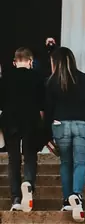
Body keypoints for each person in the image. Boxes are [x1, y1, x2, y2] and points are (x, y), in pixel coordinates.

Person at [45, 47, 85, 222]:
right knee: (80, 163)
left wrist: (47, 135)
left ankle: (67, 200)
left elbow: (48, 110)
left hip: (60, 124)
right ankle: (77, 196)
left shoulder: (52, 82)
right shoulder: (84, 78)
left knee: (66, 162)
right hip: (84, 124)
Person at [0, 48, 45, 212]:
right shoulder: (37, 77)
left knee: (13, 159)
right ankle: (28, 184)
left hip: (10, 121)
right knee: (30, 155)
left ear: (14, 62)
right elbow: (42, 104)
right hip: (30, 120)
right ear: (30, 61)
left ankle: (16, 198)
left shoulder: (6, 78)